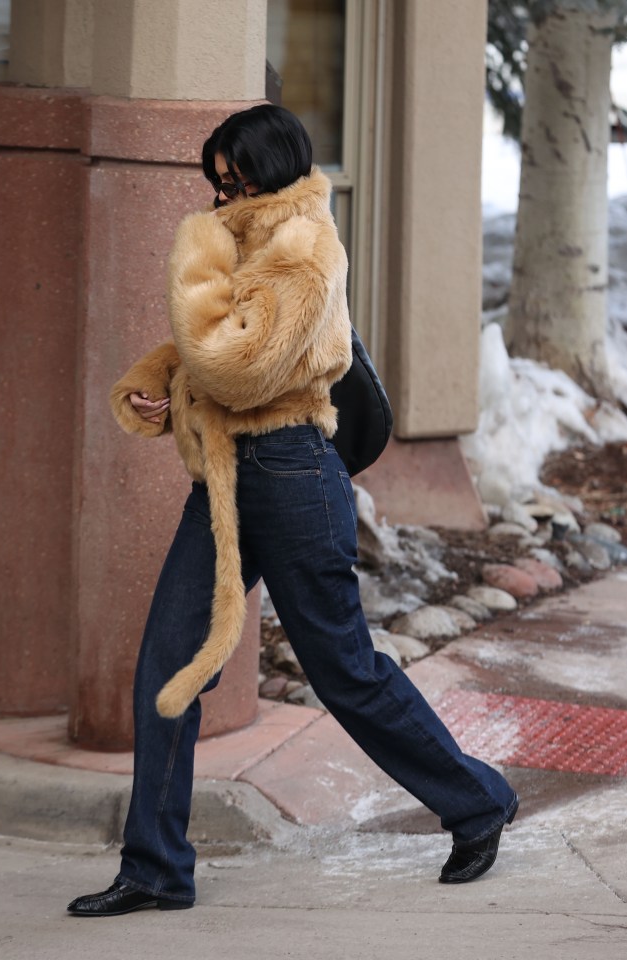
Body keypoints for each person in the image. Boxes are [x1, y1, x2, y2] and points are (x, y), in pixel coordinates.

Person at [67, 105, 518, 918]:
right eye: (214, 183)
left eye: (232, 180)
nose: (219, 197)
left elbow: (240, 369)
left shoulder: (306, 248)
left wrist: (195, 258)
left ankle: (476, 801)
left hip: (292, 475)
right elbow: (211, 351)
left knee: (344, 671)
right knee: (168, 668)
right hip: (225, 480)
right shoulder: (244, 240)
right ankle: (156, 867)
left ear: (268, 171)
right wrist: (162, 387)